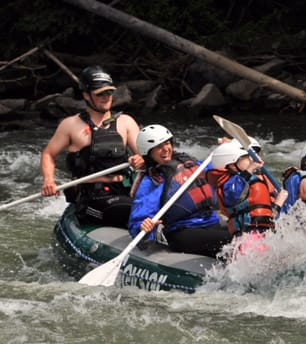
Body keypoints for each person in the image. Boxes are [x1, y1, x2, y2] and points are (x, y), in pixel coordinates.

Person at [40, 65, 144, 228]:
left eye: (109, 92)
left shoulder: (126, 122)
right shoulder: (71, 125)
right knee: (131, 210)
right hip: (91, 197)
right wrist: (48, 180)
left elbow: (147, 155)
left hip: (124, 190)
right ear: (86, 95)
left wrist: (142, 159)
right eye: (100, 94)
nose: (106, 97)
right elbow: (48, 154)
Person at [128, 124, 232, 257]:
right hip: (183, 232)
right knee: (234, 240)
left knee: (249, 233)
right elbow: (137, 221)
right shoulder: (153, 180)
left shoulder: (190, 163)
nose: (166, 149)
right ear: (148, 153)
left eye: (167, 143)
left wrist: (227, 152)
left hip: (211, 222)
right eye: (159, 147)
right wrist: (143, 227)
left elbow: (218, 171)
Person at [209, 142, 288, 236]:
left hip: (264, 234)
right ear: (232, 164)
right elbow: (233, 194)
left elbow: (271, 216)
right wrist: (249, 170)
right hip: (247, 236)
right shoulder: (230, 183)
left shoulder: (258, 180)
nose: (254, 159)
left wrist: (278, 204)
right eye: (248, 157)